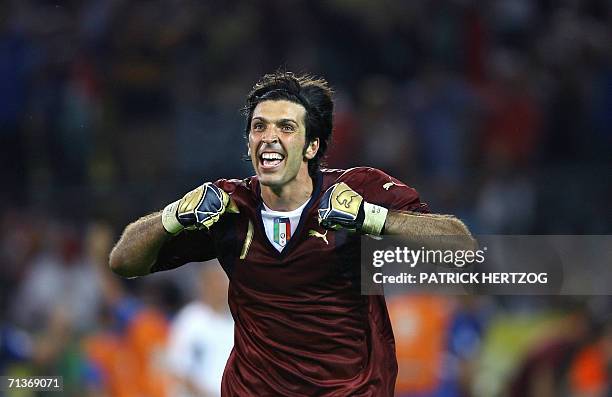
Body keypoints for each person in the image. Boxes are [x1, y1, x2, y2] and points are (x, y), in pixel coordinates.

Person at [109, 71, 474, 396]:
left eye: (286, 127)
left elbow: (460, 246)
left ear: (311, 146)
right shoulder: (230, 208)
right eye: (259, 127)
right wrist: (173, 217)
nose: (269, 137)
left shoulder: (357, 190)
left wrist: (372, 218)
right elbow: (124, 261)